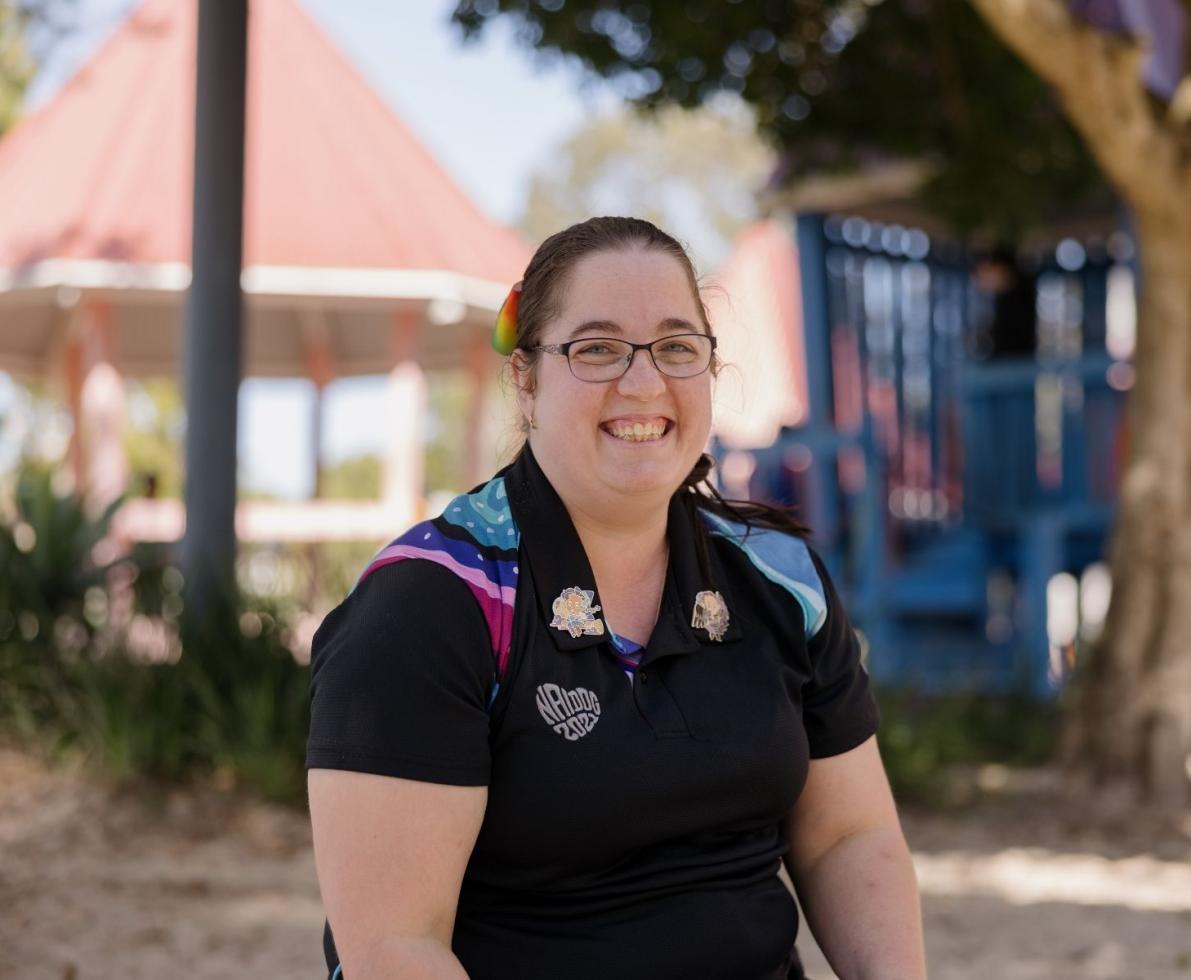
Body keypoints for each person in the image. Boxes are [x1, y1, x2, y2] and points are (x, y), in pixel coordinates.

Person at [306, 216, 927, 980]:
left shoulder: (779, 575)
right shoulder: (431, 602)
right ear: (526, 380)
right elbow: (394, 948)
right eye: (596, 349)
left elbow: (847, 837)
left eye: (675, 347)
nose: (643, 383)